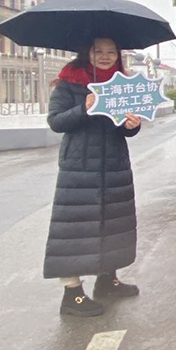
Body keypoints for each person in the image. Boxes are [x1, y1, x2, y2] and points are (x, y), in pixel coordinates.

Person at [45, 37, 142, 316]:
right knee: (74, 229)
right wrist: (83, 108)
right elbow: (55, 121)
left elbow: (124, 128)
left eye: (111, 52)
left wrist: (131, 125)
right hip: (79, 168)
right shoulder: (69, 82)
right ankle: (72, 293)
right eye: (98, 51)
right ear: (86, 53)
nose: (105, 56)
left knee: (112, 223)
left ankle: (108, 280)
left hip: (114, 165)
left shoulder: (122, 85)